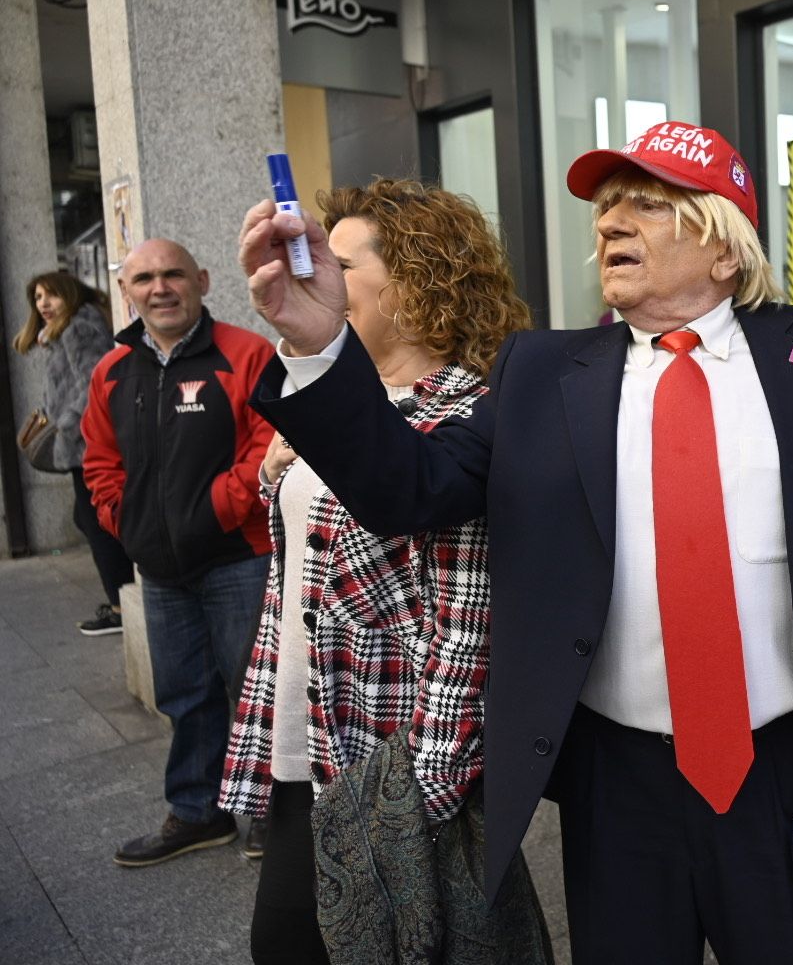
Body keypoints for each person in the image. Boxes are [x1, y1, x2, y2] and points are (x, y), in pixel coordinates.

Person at [239, 121, 793, 964]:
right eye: (607, 206)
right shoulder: (541, 374)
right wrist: (321, 345)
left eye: (647, 205)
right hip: (616, 789)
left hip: (782, 770)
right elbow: (410, 490)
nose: (611, 222)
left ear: (724, 250)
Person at [219, 180, 534, 963]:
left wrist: (419, 796)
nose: (312, 273)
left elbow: (467, 623)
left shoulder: (469, 415)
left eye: (337, 260)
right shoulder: (328, 402)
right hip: (301, 741)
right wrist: (280, 473)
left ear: (419, 281)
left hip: (385, 766)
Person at [81, 238, 276, 866]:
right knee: (183, 693)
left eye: (172, 275)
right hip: (159, 569)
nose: (159, 288)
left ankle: (274, 816)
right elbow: (100, 464)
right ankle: (199, 812)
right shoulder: (110, 371)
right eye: (144, 279)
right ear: (128, 292)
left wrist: (217, 508)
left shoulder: (246, 354)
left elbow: (269, 448)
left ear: (202, 280)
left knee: (254, 688)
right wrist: (127, 524)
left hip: (238, 558)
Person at [12, 272, 134, 633]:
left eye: (51, 296)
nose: (44, 304)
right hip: (81, 443)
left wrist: (66, 422)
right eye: (37, 298)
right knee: (91, 519)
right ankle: (123, 595)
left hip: (86, 443)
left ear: (70, 295)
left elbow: (93, 380)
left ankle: (120, 606)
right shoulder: (65, 330)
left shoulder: (80, 327)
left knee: (97, 522)